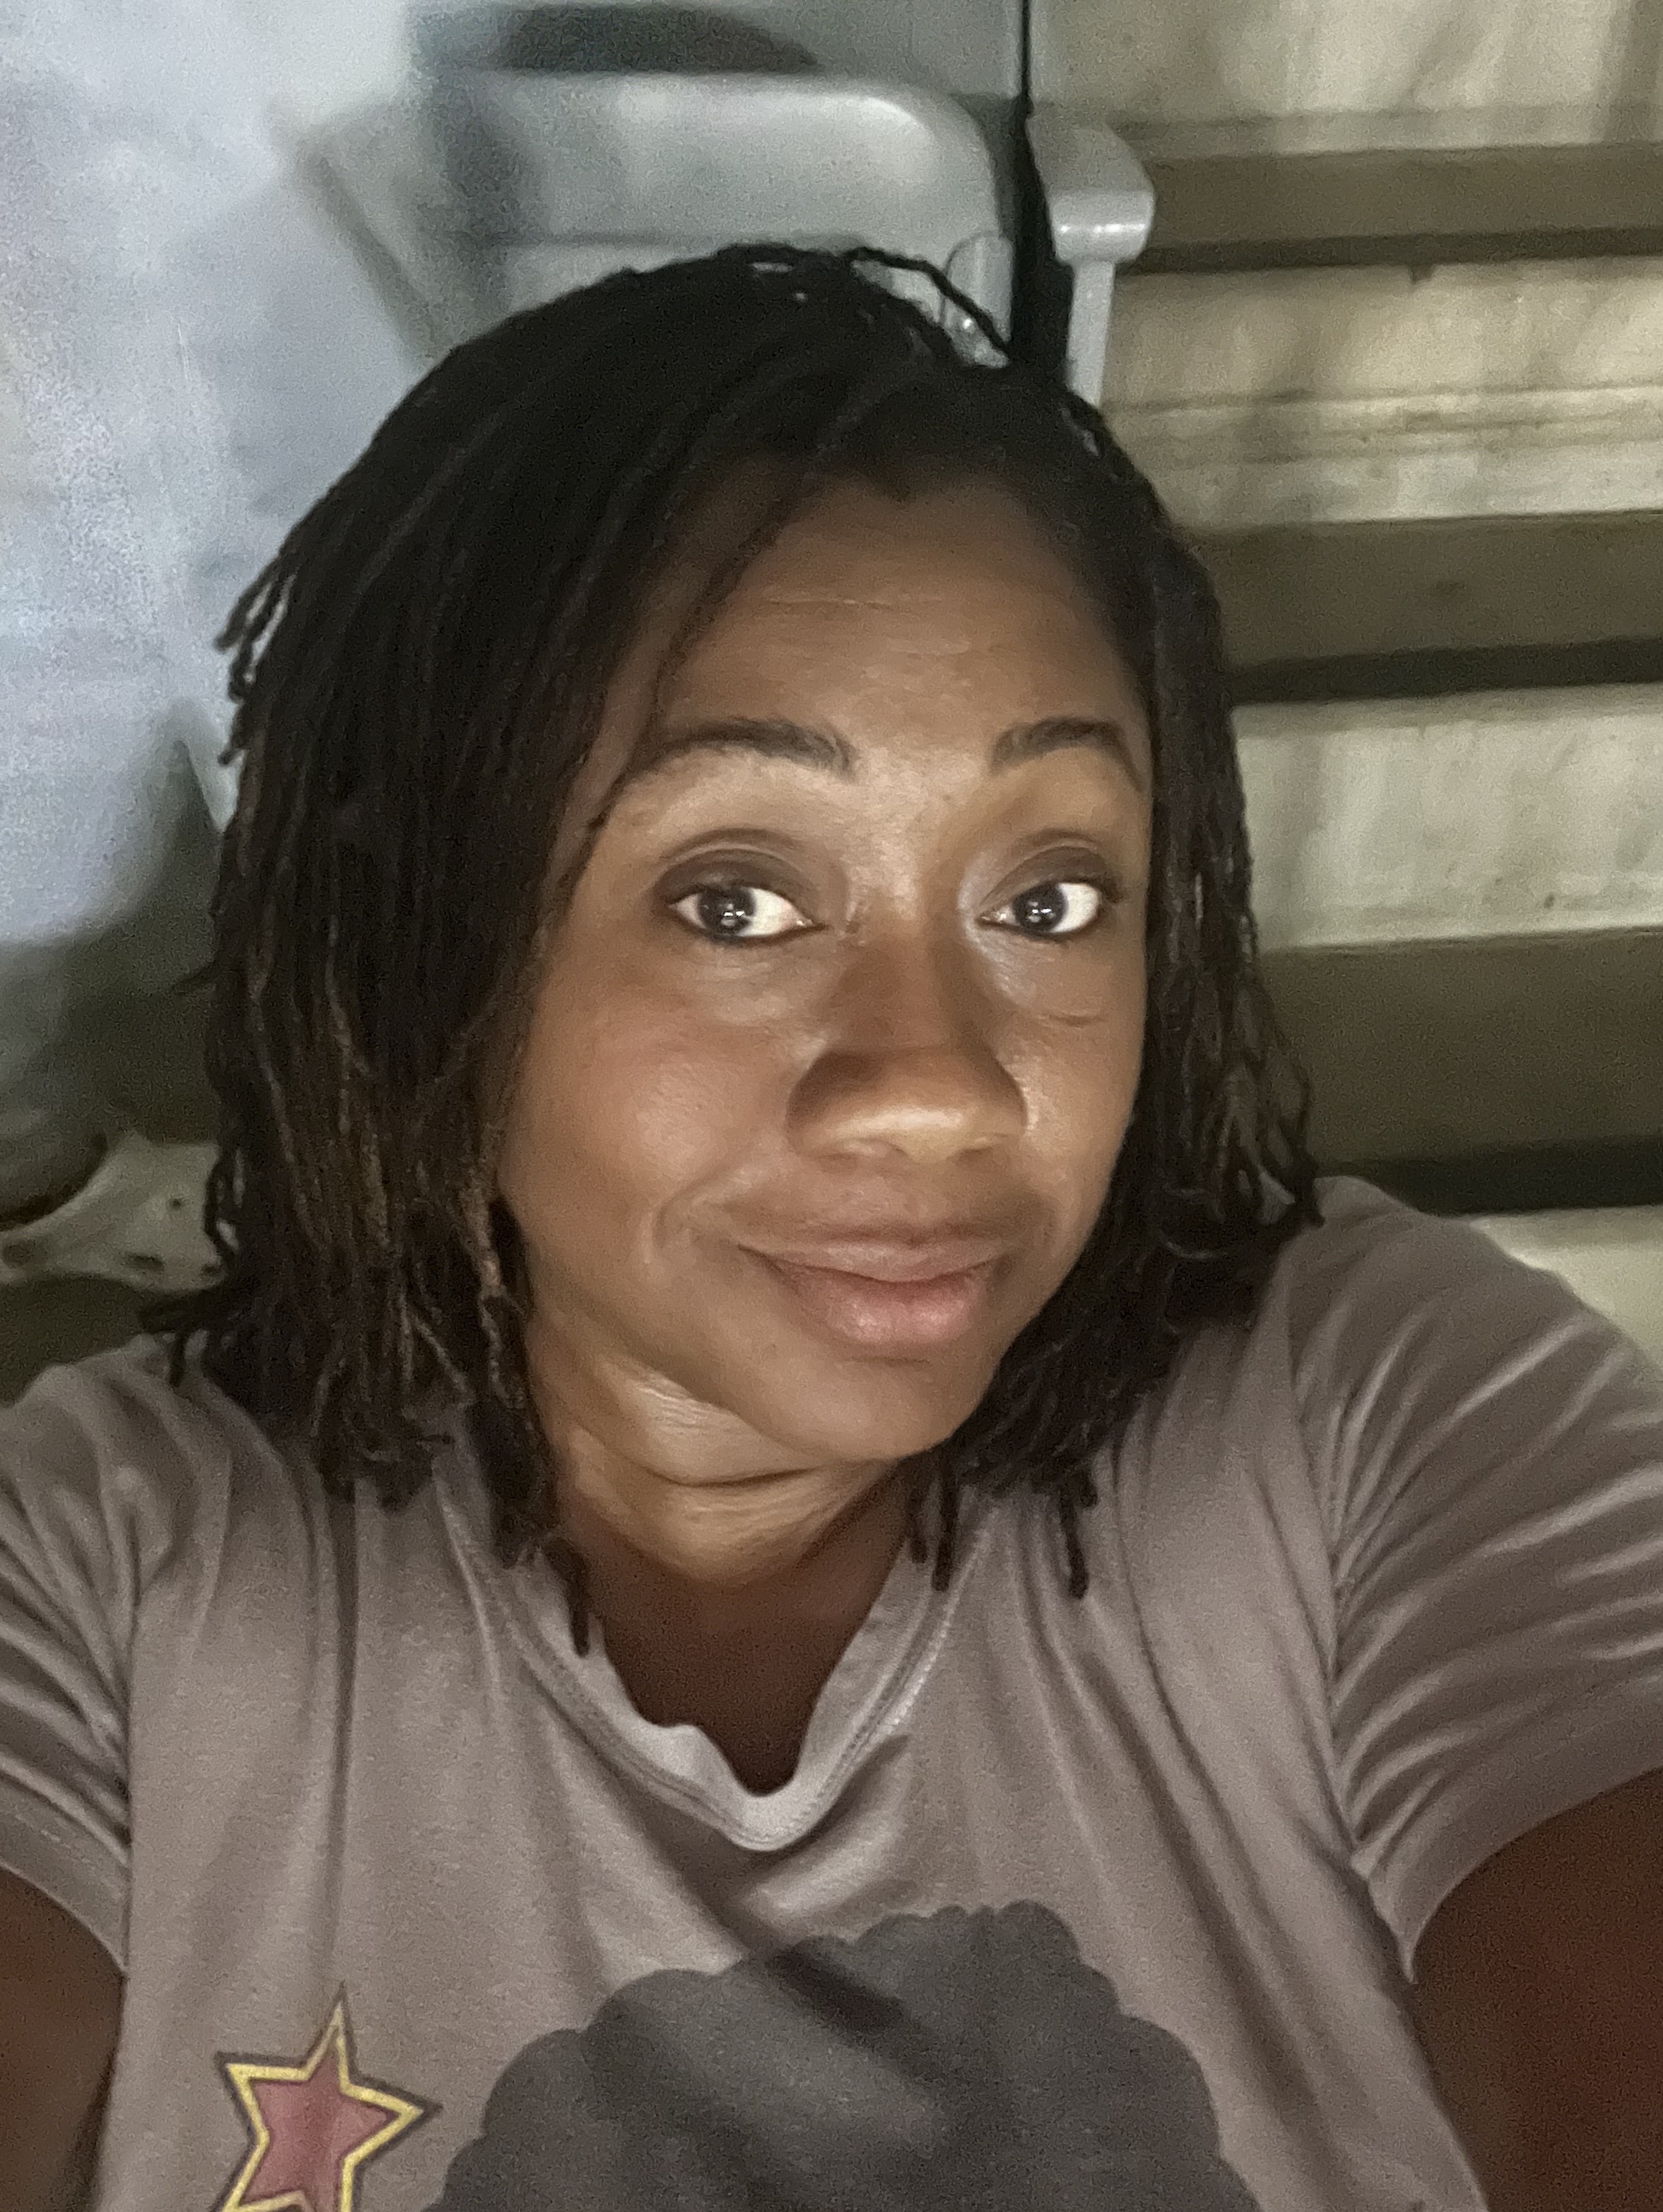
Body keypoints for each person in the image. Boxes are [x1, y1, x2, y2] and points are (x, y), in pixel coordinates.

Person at [1, 246, 1660, 2212]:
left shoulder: (1374, 1425)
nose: (939, 1088)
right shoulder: (110, 1577)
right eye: (735, 901)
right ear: (416, 925)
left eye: (1047, 900)